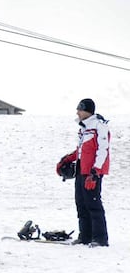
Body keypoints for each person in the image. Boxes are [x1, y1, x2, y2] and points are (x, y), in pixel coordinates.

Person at [56, 98, 110, 247]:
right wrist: (67, 159)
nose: (77, 112)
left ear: (87, 111)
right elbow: (81, 150)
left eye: (80, 109)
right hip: (81, 170)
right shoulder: (84, 128)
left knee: (93, 204)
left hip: (92, 172)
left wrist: (95, 171)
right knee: (81, 203)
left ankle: (100, 238)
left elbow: (102, 150)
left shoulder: (99, 126)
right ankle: (85, 236)